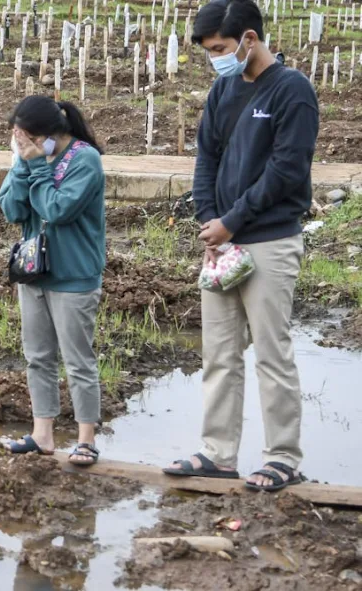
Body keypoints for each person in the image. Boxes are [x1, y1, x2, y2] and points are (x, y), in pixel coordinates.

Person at [162, 0, 319, 492]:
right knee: (219, 353)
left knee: (272, 353)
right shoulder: (223, 88)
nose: (217, 57)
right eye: (211, 51)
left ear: (249, 39)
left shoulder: (292, 91)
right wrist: (209, 220)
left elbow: (286, 170)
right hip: (221, 242)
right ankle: (217, 453)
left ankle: (282, 459)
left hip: (269, 239)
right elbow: (206, 156)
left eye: (221, 48)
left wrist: (232, 221)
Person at [0, 96, 107, 466]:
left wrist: (38, 169)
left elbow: (57, 210)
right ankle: (42, 434)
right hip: (33, 273)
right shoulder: (29, 160)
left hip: (73, 276)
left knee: (78, 361)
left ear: (47, 134)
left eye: (25, 136)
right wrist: (21, 168)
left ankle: (86, 439)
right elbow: (13, 209)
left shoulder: (84, 160)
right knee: (38, 357)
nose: (21, 142)